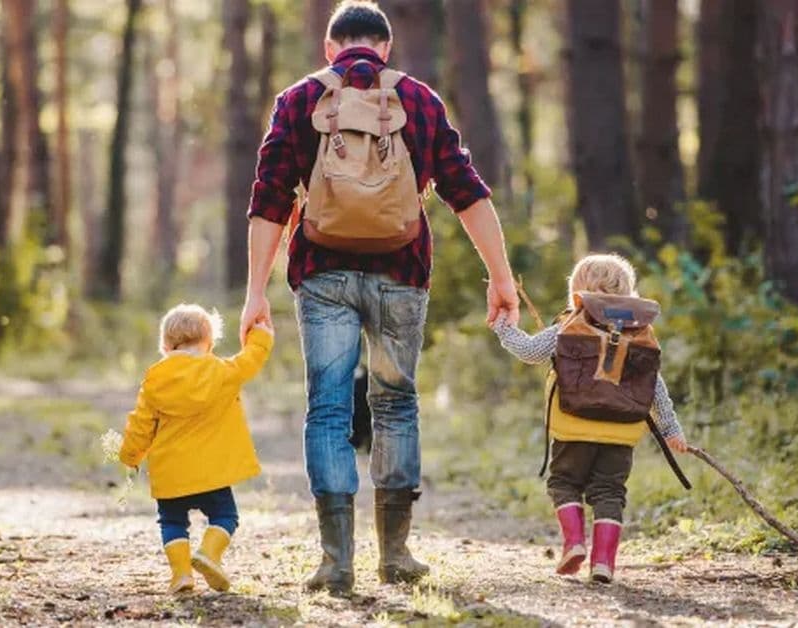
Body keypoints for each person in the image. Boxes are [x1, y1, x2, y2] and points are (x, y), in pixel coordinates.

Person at [239, 0, 520, 595]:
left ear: (329, 49)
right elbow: (463, 190)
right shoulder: (417, 99)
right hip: (401, 274)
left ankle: (335, 562)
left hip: (321, 274)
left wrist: (253, 293)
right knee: (395, 405)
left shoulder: (299, 100)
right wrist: (501, 276)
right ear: (386, 49)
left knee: (330, 410)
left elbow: (270, 197)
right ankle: (396, 554)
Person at [491, 254, 689, 584]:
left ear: (578, 293)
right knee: (610, 492)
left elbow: (528, 352)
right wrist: (671, 428)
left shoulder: (568, 328)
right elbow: (654, 386)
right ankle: (603, 563)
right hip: (621, 434)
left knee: (564, 483)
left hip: (574, 428)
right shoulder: (639, 334)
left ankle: (574, 544)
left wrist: (502, 327)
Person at [118, 304, 274, 594]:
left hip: (171, 474)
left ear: (165, 345)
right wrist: (261, 335)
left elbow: (141, 424)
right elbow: (250, 360)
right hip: (212, 473)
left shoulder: (155, 379)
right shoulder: (221, 371)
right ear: (210, 343)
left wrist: (130, 455)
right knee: (226, 516)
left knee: (172, 522)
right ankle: (209, 554)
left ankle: (181, 576)